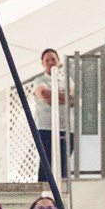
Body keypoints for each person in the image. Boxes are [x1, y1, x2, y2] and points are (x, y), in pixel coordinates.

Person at [28, 48, 70, 179]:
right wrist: (64, 95)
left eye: (53, 59)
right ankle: (44, 189)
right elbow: (46, 98)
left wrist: (53, 93)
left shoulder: (66, 80)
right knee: (46, 161)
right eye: (47, 60)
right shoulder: (39, 81)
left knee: (63, 162)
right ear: (42, 63)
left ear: (59, 61)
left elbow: (74, 99)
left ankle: (61, 188)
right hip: (45, 127)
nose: (51, 62)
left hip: (65, 127)